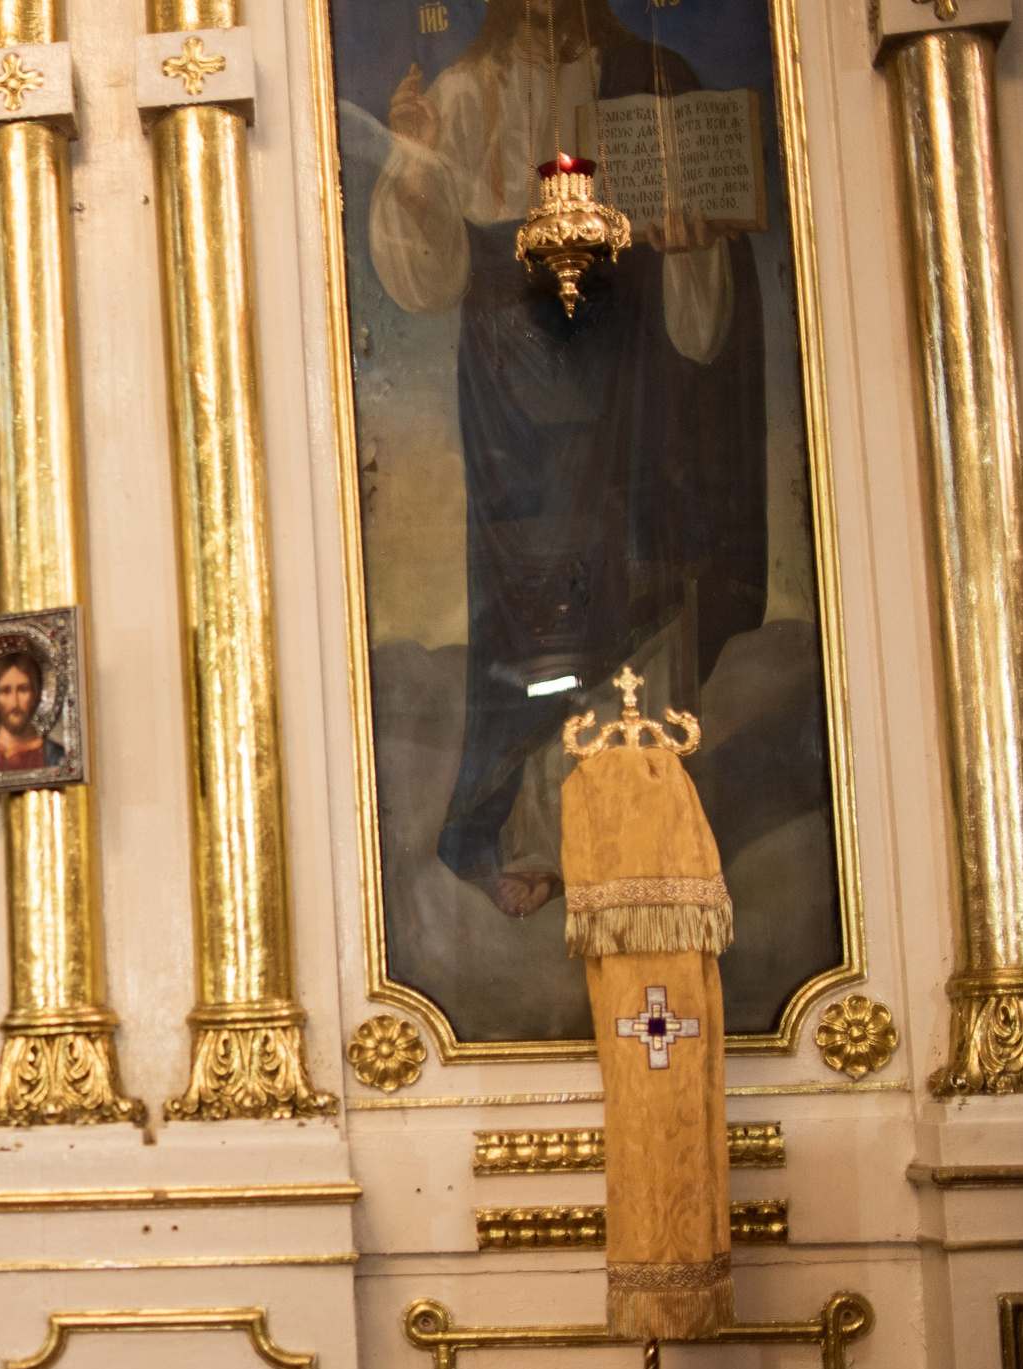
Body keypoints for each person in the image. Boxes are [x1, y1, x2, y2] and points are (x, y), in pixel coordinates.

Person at [369, 0, 766, 917]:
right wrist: (418, 166)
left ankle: (642, 818)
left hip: (632, 382)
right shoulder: (463, 97)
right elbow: (425, 282)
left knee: (643, 575)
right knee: (533, 604)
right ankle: (526, 829)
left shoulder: (645, 87)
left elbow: (704, 326)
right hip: (516, 396)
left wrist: (691, 251)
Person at [0, 645, 67, 775]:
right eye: (5, 691)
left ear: (35, 694)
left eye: (23, 689)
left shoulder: (57, 758)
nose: (14, 703)